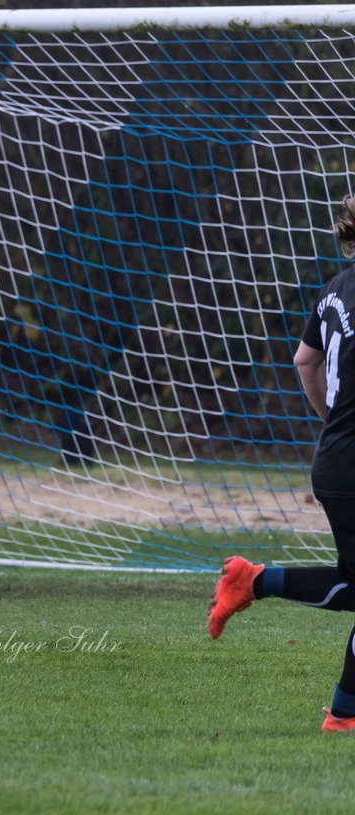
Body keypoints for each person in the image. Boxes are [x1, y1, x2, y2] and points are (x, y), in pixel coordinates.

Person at [209, 194, 355, 731]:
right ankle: (342, 714)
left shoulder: (335, 289)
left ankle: (254, 582)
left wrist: (333, 422)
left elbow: (304, 361)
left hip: (336, 457)